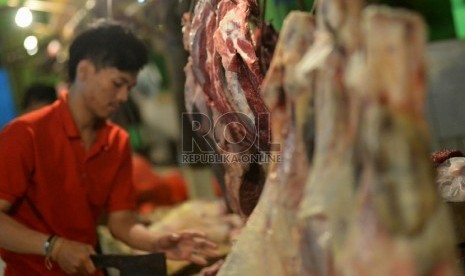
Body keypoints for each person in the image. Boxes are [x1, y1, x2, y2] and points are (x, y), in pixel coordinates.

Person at [0, 19, 217, 275]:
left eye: (130, 87)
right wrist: (53, 247)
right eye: (117, 83)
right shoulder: (25, 133)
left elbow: (121, 222)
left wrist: (156, 242)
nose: (124, 97)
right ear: (84, 71)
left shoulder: (117, 141)